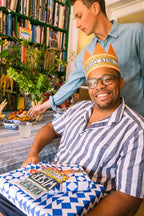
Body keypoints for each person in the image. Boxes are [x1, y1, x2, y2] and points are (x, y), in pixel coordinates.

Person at [1, 43, 143, 216]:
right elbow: (50, 127)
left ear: (120, 82)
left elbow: (128, 195)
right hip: (43, 186)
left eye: (107, 79)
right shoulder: (79, 108)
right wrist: (34, 152)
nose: (99, 86)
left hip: (74, 205)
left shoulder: (136, 130)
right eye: (92, 82)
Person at [28, 0, 144, 117]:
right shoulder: (84, 55)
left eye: (79, 16)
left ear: (95, 8)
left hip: (139, 120)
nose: (77, 25)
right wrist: (44, 105)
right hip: (106, 124)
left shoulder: (135, 33)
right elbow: (71, 85)